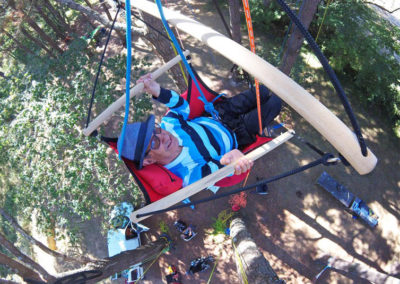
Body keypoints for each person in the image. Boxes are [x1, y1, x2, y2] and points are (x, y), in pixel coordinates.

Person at [118, 73, 281, 188]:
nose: (163, 136)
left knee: (263, 90)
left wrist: (157, 91)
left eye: (156, 130)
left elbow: (182, 106)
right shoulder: (187, 173)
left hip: (221, 113)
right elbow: (219, 169)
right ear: (148, 161)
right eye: (154, 142)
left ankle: (277, 80)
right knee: (274, 103)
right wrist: (230, 160)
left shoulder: (169, 125)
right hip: (239, 133)